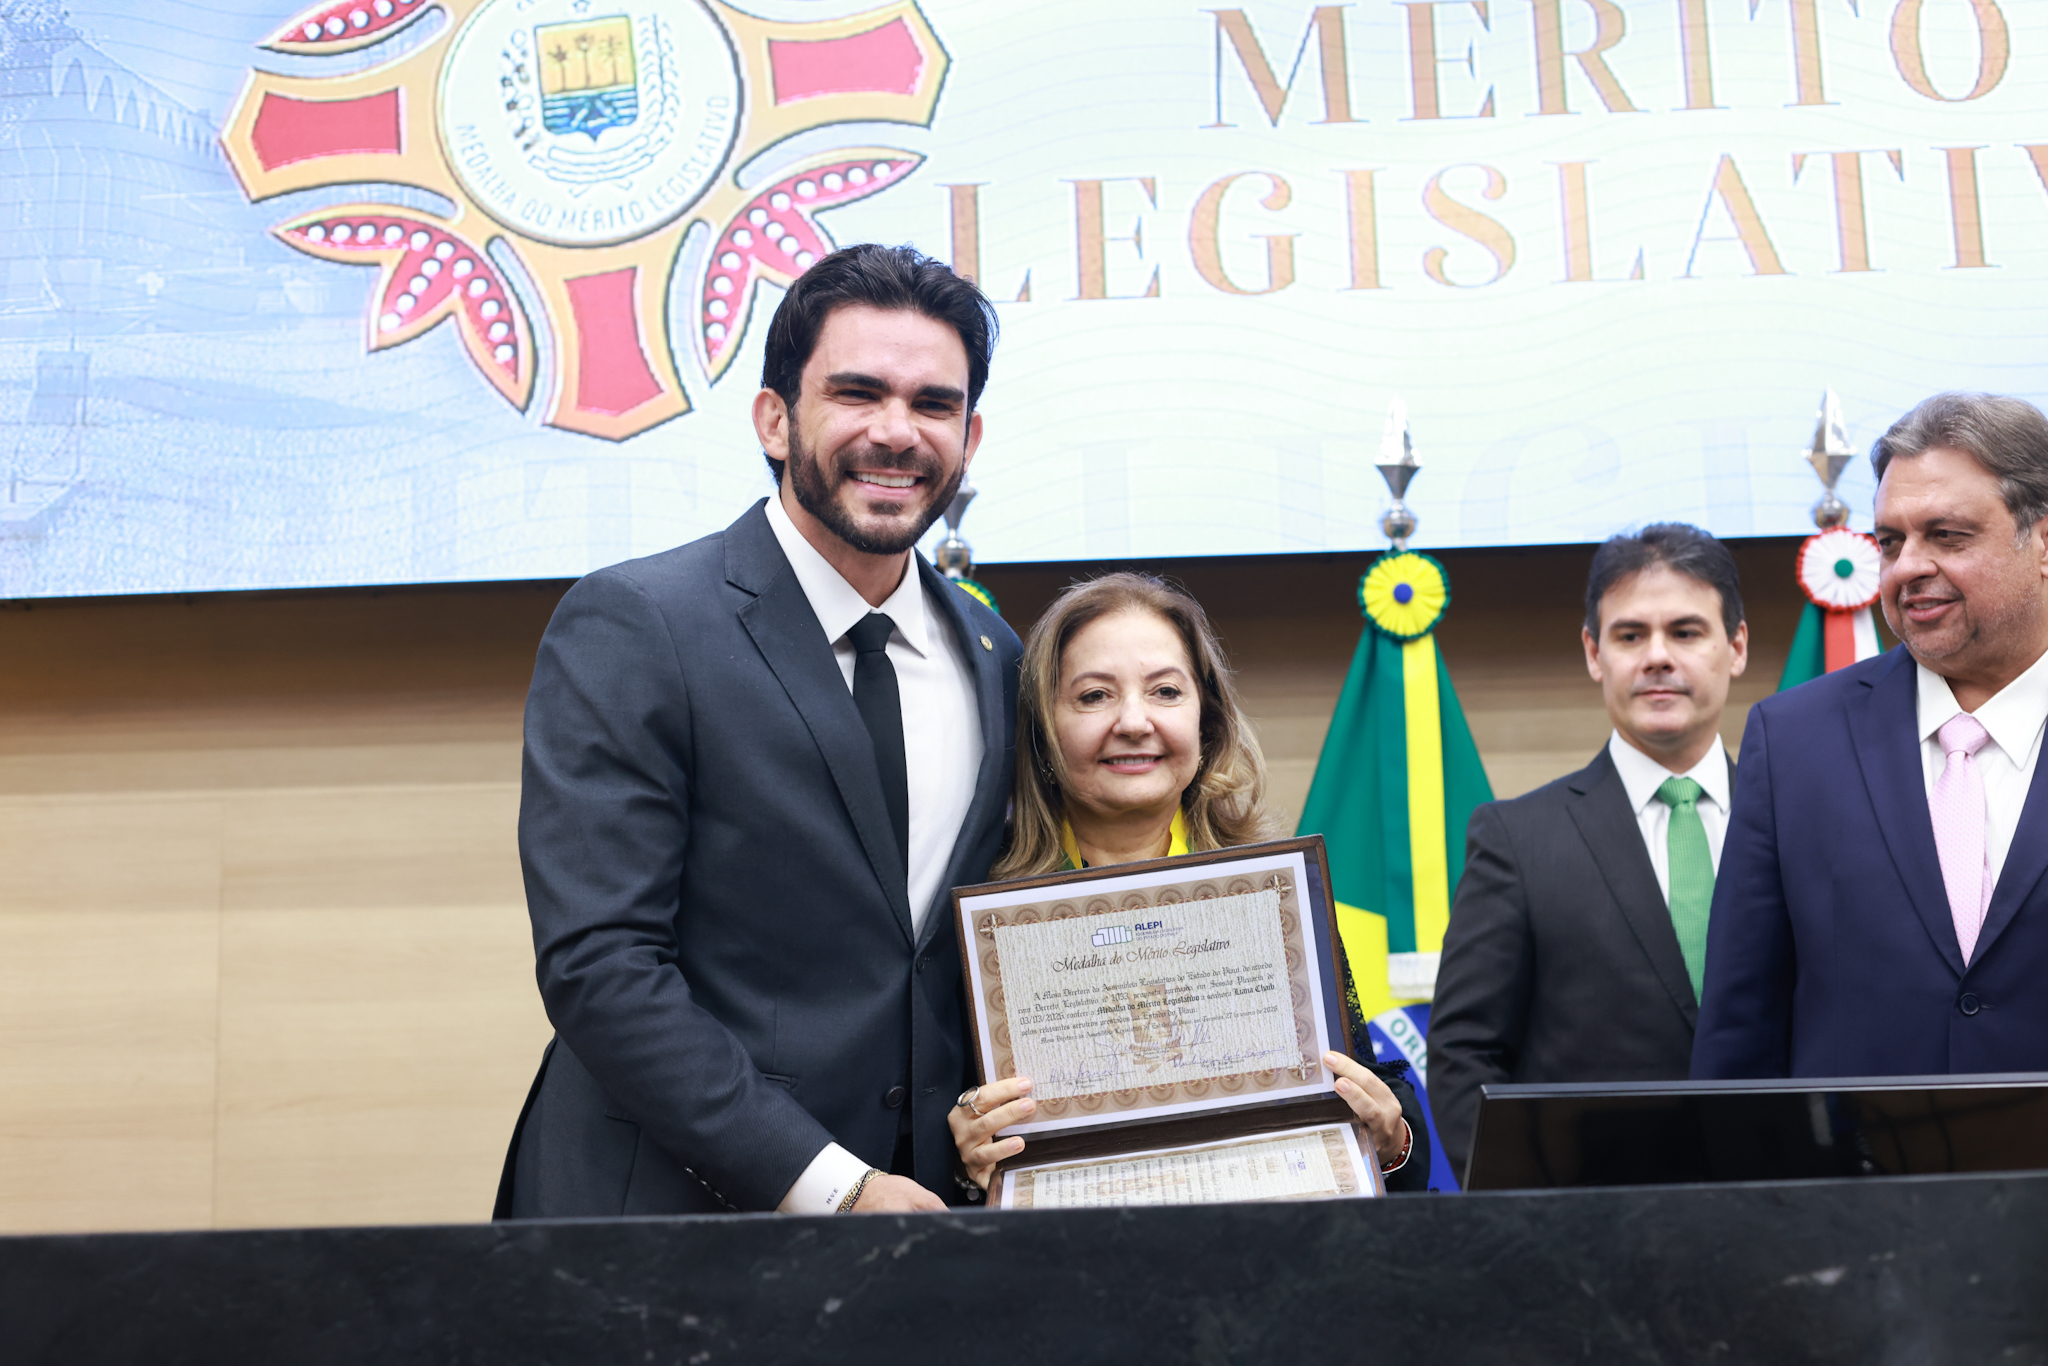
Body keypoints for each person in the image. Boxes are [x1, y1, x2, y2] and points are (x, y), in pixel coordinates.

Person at [495, 245, 1020, 1218]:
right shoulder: (637, 623)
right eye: (856, 393)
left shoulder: (995, 653)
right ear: (774, 419)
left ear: (970, 436)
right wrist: (832, 1186)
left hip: (918, 1238)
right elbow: (601, 964)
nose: (895, 432)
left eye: (931, 404)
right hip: (661, 1227)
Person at [948, 572, 1431, 1194]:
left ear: (1206, 719)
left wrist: (1390, 1139)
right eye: (1094, 696)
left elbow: (1388, 1125)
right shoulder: (985, 918)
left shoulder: (1270, 898)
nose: (1133, 721)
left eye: (1165, 692)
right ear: (1043, 729)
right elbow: (951, 1146)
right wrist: (966, 1154)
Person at [1696, 392, 2048, 1078]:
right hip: (1857, 1180)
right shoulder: (1793, 743)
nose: (1908, 567)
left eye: (1947, 536)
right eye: (1891, 542)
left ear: (2041, 544)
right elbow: (1741, 1032)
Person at [1428, 525, 1749, 1179]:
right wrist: (1525, 1216)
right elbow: (1464, 1055)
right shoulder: (1517, 839)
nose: (1657, 657)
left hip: (1788, 1216)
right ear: (1593, 653)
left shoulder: (1799, 818)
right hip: (1586, 1231)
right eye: (1631, 636)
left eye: (1686, 633)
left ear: (1736, 647)